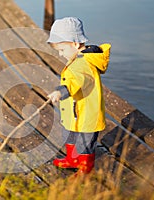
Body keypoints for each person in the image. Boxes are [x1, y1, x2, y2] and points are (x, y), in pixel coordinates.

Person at [47, 17, 111, 174]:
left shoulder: (83, 64)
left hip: (85, 116)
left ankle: (84, 170)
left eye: (62, 50)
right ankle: (72, 160)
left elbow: (76, 81)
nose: (61, 55)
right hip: (75, 113)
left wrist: (60, 91)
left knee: (84, 144)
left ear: (75, 44)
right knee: (70, 137)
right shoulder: (77, 58)